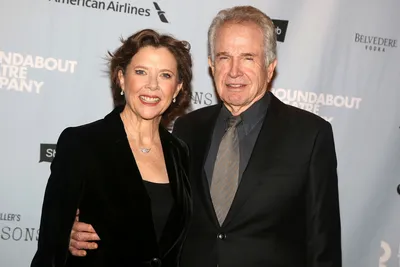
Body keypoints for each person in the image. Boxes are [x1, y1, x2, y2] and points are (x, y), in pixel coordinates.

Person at [68, 6, 342, 267]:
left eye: (248, 57)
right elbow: (158, 212)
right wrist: (79, 228)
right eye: (224, 57)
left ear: (270, 67)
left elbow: (323, 245)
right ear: (211, 65)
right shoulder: (187, 128)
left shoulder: (310, 135)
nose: (234, 71)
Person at [30, 29, 193, 267]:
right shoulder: (82, 143)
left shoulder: (179, 152)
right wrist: (64, 235)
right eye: (141, 72)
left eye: (165, 75)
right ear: (121, 78)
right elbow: (50, 245)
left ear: (177, 88)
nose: (152, 85)